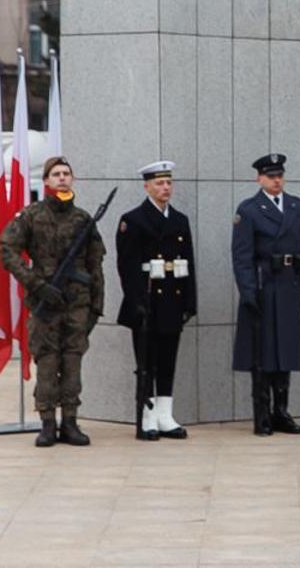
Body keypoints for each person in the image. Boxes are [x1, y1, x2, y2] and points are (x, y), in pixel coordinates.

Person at [0, 156, 105, 448]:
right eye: (56, 174)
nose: (62, 178)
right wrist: (36, 284)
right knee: (47, 363)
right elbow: (6, 249)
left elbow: (96, 266)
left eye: (66, 174)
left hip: (77, 304)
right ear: (46, 181)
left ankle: (70, 422)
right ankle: (47, 423)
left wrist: (96, 305)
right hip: (45, 304)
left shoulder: (83, 219)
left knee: (73, 361)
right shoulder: (32, 215)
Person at [231, 153, 300, 436]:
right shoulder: (249, 210)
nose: (277, 180)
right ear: (259, 179)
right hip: (263, 287)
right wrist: (248, 293)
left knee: (286, 351)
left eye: (280, 175)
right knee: (263, 353)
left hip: (289, 286)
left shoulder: (298, 207)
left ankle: (281, 411)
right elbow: (241, 256)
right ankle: (263, 413)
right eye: (271, 176)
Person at [115, 160, 196, 441]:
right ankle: (147, 416)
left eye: (169, 183)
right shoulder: (133, 220)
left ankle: (165, 414)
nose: (165, 188)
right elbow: (126, 266)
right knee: (146, 361)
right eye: (159, 183)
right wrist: (137, 301)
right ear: (146, 186)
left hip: (172, 300)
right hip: (147, 302)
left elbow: (189, 263)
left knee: (167, 360)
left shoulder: (180, 220)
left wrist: (190, 302)